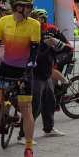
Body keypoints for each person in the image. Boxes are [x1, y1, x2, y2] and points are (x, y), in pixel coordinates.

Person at [0, 0, 41, 157]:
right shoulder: (3, 22)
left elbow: (34, 50)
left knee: (26, 108)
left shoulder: (34, 25)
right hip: (6, 68)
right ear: (17, 8)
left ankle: (28, 147)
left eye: (31, 6)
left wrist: (30, 66)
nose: (31, 9)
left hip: (24, 70)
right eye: (27, 6)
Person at [28, 9, 67, 138]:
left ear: (43, 19)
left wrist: (58, 47)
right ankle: (23, 135)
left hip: (47, 72)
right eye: (33, 19)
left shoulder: (52, 30)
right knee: (35, 106)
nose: (35, 21)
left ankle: (48, 129)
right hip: (35, 73)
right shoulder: (31, 31)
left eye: (37, 19)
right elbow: (34, 54)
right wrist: (46, 44)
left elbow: (66, 45)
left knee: (50, 101)